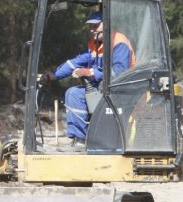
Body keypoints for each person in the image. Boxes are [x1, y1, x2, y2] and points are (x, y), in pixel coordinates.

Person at [42, 11, 134, 147]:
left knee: (83, 94)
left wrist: (90, 72)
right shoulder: (95, 45)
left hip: (121, 91)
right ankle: (79, 139)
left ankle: (101, 138)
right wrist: (52, 75)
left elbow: (119, 71)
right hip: (103, 88)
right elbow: (74, 63)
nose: (92, 30)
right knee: (73, 94)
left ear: (107, 25)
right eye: (90, 26)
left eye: (95, 26)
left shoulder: (119, 42)